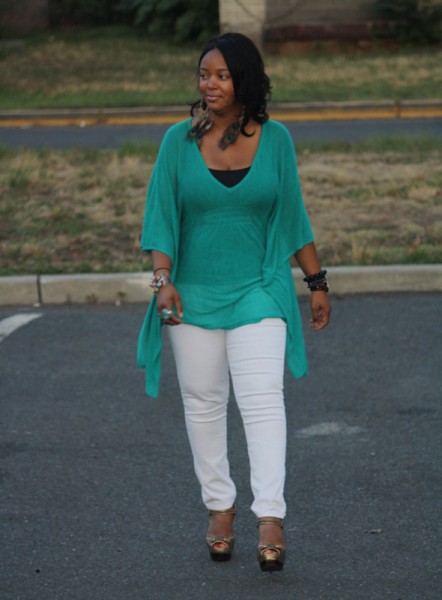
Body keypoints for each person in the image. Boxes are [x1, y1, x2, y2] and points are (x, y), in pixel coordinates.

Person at [137, 32, 331, 572]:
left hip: (260, 287)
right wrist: (162, 281)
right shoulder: (178, 140)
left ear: (245, 80)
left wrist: (316, 283)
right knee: (202, 400)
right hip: (193, 292)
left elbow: (292, 215)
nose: (210, 83)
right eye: (205, 74)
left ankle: (270, 516)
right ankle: (219, 508)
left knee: (263, 397)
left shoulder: (277, 140)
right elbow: (160, 218)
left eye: (222, 75)